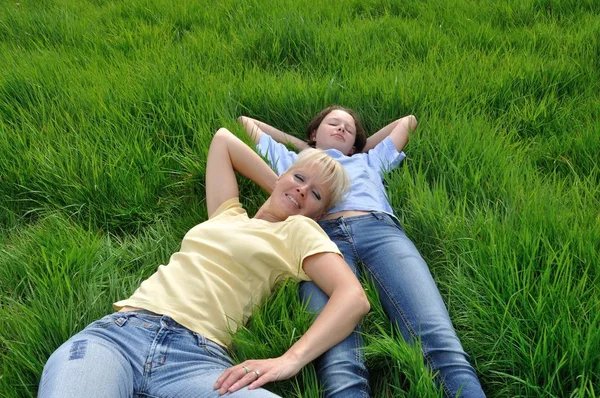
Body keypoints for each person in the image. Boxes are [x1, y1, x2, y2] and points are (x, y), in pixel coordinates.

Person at [37, 128, 370, 398]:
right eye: (299, 178)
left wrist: (290, 359)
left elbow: (352, 297)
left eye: (315, 195)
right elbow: (223, 140)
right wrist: (285, 189)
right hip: (120, 338)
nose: (303, 191)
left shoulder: (299, 231)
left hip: (199, 362)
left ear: (320, 214)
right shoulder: (226, 214)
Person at [238, 106, 486, 398]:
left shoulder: (369, 160)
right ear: (314, 132)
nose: (342, 128)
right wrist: (306, 146)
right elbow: (246, 123)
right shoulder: (295, 163)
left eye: (349, 129)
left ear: (356, 144)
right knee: (338, 360)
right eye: (333, 123)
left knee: (437, 339)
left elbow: (408, 122)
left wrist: (360, 148)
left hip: (378, 230)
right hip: (318, 241)